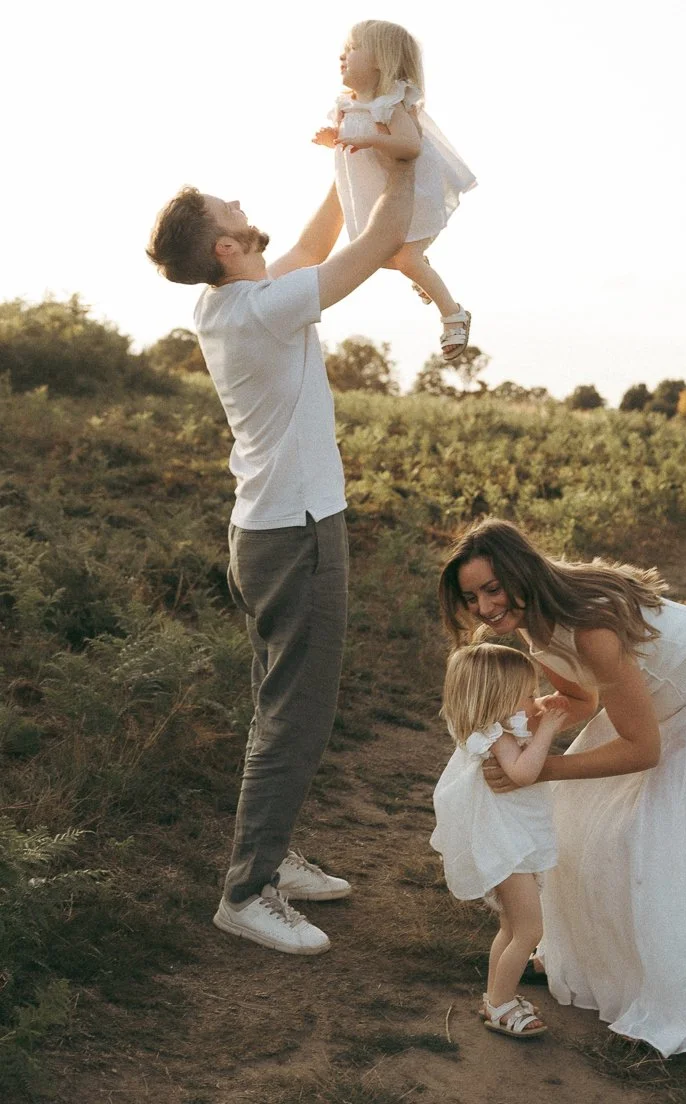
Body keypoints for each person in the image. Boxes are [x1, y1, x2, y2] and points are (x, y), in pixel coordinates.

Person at [145, 149, 416, 955]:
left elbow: (317, 234)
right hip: (295, 533)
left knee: (279, 709)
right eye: (230, 207)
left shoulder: (239, 301)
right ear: (226, 247)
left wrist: (351, 153)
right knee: (296, 717)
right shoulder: (262, 309)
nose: (239, 202)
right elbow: (375, 241)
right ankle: (248, 890)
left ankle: (272, 857)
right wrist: (397, 151)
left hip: (267, 531)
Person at [439, 517, 686, 1056]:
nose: (486, 608)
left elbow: (642, 751)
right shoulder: (532, 628)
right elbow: (582, 702)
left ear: (521, 572)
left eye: (493, 588)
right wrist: (534, 720)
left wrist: (540, 769)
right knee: (582, 819)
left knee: (661, 833)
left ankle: (684, 978)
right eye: (472, 598)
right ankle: (590, 954)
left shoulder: (591, 629)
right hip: (653, 703)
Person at [312, 18, 476, 363]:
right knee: (379, 258)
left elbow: (409, 145)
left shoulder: (390, 105)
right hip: (376, 197)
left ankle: (453, 313)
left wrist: (370, 137)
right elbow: (355, 150)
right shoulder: (347, 105)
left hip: (411, 197)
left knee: (404, 258)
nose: (343, 56)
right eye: (343, 50)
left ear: (379, 61)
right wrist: (335, 141)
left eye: (353, 49)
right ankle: (421, 271)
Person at [431, 643, 567, 1038]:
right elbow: (524, 773)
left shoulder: (496, 731)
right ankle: (500, 1004)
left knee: (511, 928)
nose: (533, 700)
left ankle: (497, 995)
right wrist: (548, 730)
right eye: (527, 693)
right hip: (507, 848)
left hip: (510, 843)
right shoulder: (495, 737)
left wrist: (537, 722)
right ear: (500, 699)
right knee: (530, 930)